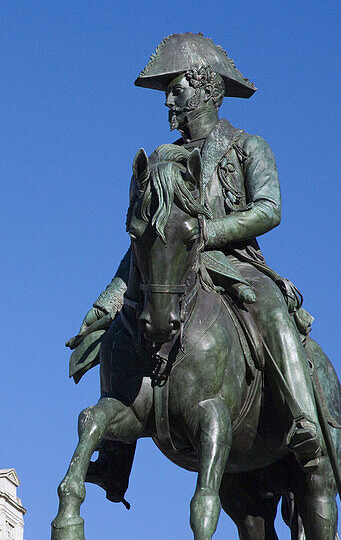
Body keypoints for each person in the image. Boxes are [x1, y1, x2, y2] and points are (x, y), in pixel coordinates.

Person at [69, 33, 323, 472]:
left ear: (206, 89)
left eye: (177, 88)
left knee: (272, 310)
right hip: (171, 265)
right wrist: (108, 298)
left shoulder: (248, 146)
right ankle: (113, 457)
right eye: (168, 91)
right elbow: (145, 238)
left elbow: (269, 209)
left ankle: (302, 418)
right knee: (124, 331)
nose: (168, 99)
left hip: (235, 263)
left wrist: (209, 230)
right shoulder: (164, 159)